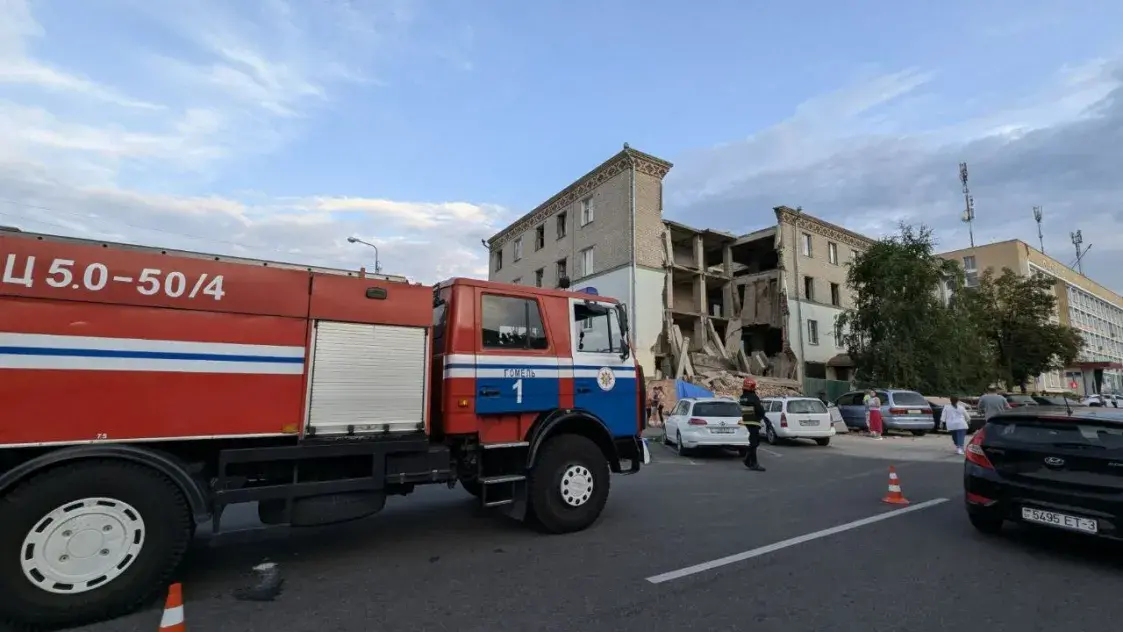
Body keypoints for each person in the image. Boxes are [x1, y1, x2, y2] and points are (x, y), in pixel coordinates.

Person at [739, 378, 766, 472]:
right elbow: (760, 410)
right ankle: (752, 463)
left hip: (746, 421)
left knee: (754, 442)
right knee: (754, 443)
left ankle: (747, 460)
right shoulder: (753, 397)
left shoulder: (742, 397)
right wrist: (762, 415)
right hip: (754, 422)